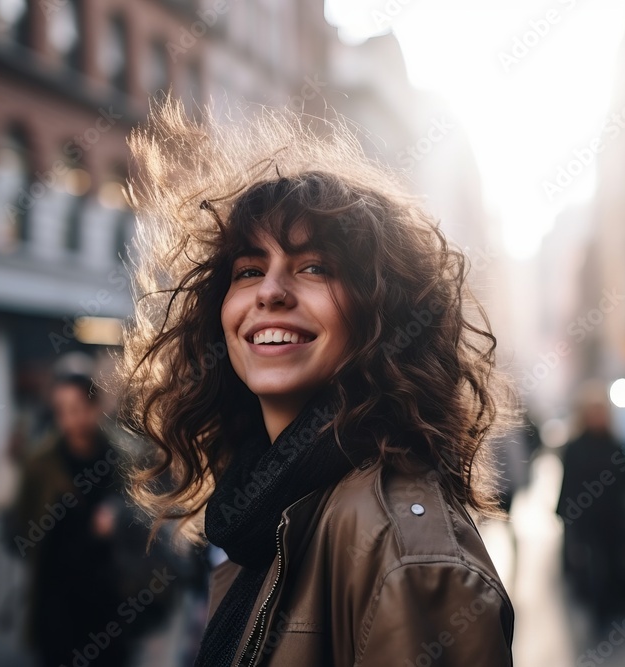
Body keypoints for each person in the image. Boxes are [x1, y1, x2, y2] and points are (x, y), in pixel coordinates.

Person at [108, 97, 518, 667]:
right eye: (249, 270)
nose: (269, 292)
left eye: (313, 267)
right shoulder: (260, 512)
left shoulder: (405, 554)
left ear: (382, 314)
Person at [5, 374, 135, 667]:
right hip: (56, 599)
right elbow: (21, 527)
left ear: (95, 406)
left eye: (76, 408)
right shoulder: (41, 464)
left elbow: (143, 518)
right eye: (61, 410)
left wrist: (118, 518)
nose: (69, 419)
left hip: (110, 597)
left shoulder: (122, 459)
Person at [555, 380, 625, 630]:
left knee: (614, 561)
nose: (597, 416)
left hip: (613, 516)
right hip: (587, 516)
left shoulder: (616, 445)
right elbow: (568, 481)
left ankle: (613, 604)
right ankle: (597, 607)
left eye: (601, 411)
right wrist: (564, 512)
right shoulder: (576, 447)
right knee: (592, 563)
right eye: (593, 411)